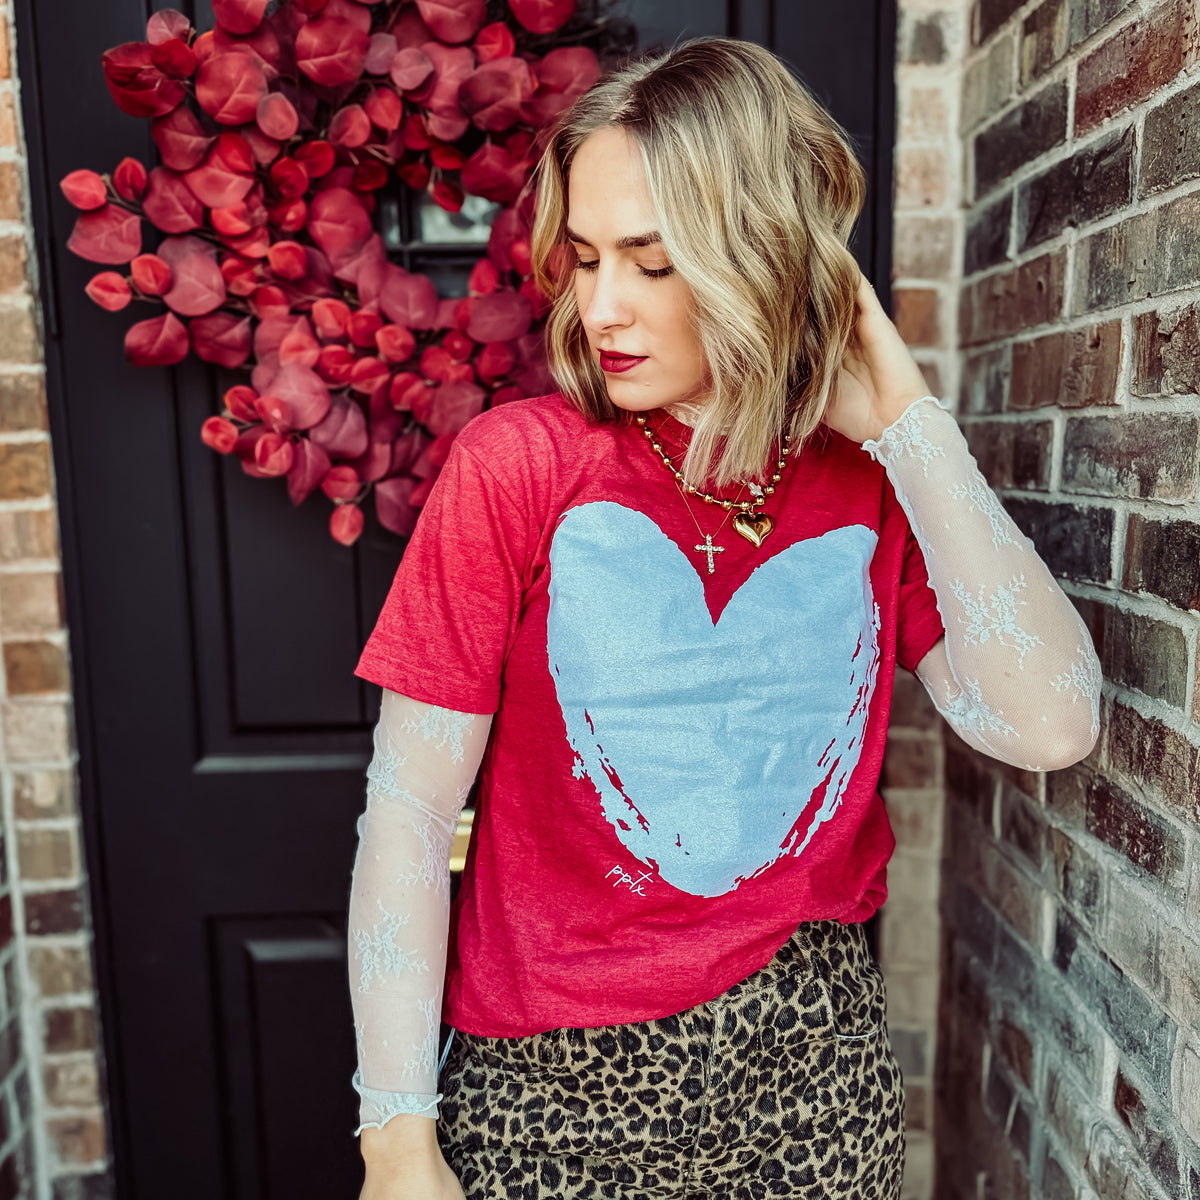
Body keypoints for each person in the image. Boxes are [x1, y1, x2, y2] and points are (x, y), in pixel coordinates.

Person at [347, 37, 1102, 1200]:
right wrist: (397, 1140)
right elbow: (407, 811)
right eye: (588, 257)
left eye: (652, 263)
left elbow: (1049, 726)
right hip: (553, 1087)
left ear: (759, 257)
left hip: (813, 1065)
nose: (601, 307)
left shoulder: (865, 482)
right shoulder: (519, 467)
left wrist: (905, 419)